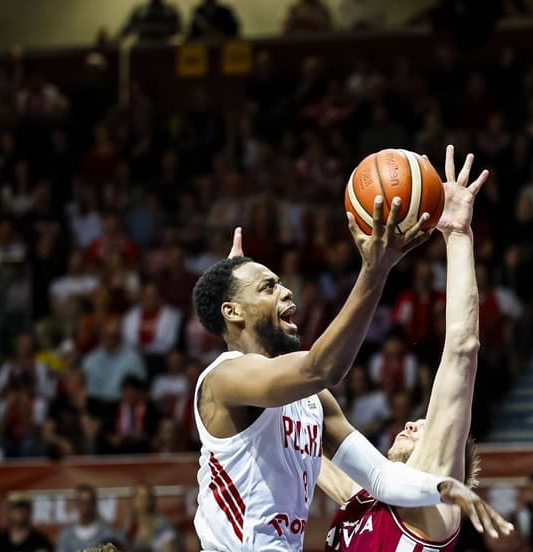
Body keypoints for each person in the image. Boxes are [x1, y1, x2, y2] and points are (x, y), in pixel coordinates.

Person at [191, 147, 511, 550]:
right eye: (269, 286)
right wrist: (374, 271)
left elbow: (379, 474)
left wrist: (443, 486)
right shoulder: (224, 380)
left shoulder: (315, 408)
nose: (287, 289)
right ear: (233, 310)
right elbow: (317, 368)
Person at [319, 146, 512, 550]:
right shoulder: (364, 497)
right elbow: (302, 428)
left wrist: (458, 235)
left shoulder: (432, 492)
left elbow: (462, 348)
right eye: (418, 422)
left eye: (424, 427)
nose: (410, 423)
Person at [56, 484, 122, 552]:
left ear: (94, 504)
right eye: (80, 502)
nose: (84, 507)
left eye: (87, 502)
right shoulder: (66, 535)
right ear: (76, 503)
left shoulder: (108, 534)